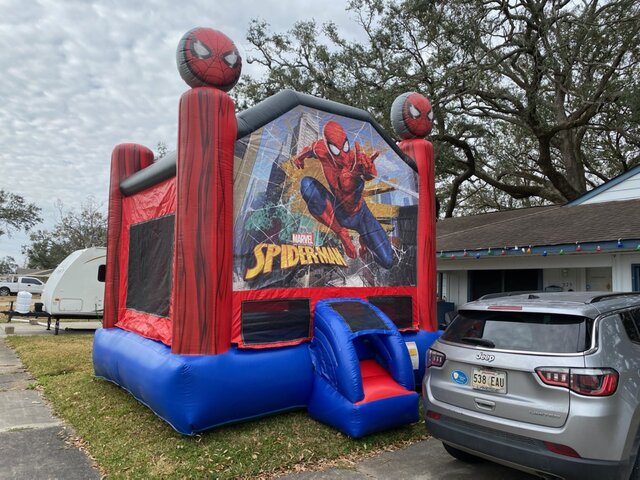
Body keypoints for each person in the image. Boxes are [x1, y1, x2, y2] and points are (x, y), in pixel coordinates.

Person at [292, 120, 393, 269]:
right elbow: (310, 149)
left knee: (388, 261)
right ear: (327, 146)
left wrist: (369, 170)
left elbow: (369, 172)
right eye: (336, 150)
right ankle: (342, 233)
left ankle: (365, 246)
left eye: (345, 147)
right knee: (307, 185)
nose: (343, 155)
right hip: (338, 212)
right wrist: (299, 157)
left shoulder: (355, 159)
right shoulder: (321, 149)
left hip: (361, 215)